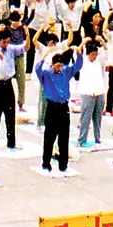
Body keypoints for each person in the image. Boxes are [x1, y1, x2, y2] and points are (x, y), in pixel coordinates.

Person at [34, 44, 79, 174]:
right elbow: (37, 69)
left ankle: (63, 164)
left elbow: (77, 66)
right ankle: (46, 162)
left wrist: (78, 53)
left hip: (63, 106)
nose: (59, 68)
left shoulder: (65, 72)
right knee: (49, 136)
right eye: (57, 66)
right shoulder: (47, 74)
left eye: (61, 65)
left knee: (64, 136)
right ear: (52, 65)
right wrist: (44, 56)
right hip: (52, 107)